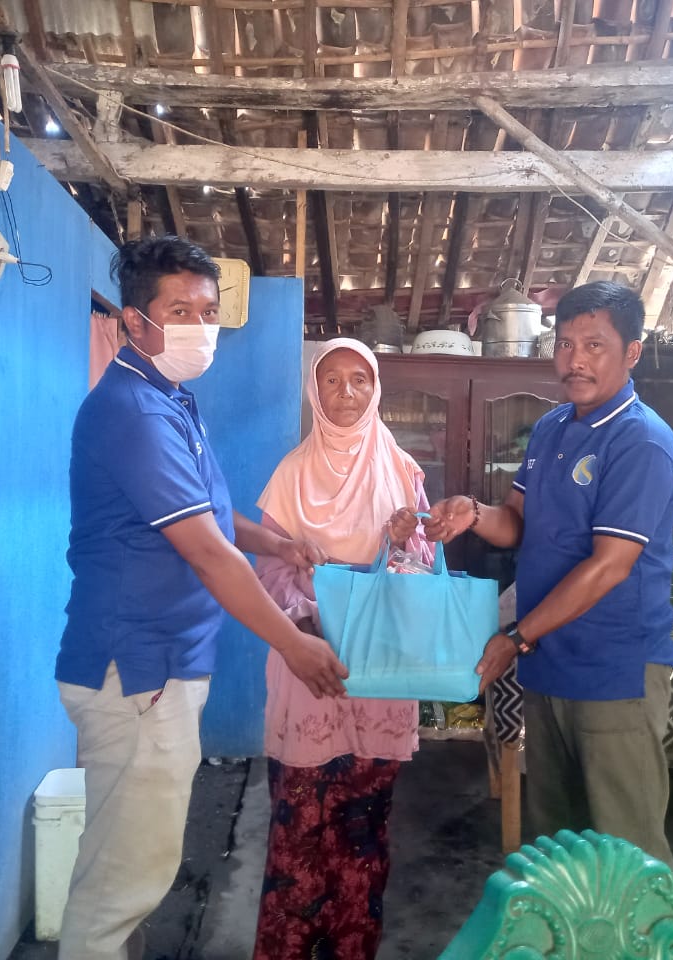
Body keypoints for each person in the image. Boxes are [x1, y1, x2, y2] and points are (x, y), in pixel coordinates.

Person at [55, 236, 349, 960]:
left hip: (161, 664)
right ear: (134, 321)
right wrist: (293, 641)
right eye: (179, 310)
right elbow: (208, 552)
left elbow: (211, 516)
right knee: (123, 880)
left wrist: (277, 544)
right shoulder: (134, 411)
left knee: (130, 862)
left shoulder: (170, 400)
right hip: (139, 669)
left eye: (209, 311)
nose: (200, 326)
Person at [424, 280, 673, 868]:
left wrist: (516, 636)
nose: (575, 361)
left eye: (594, 346)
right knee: (557, 843)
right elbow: (518, 523)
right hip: (550, 663)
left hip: (613, 668)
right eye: (565, 344)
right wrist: (473, 513)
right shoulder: (551, 428)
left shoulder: (641, 441)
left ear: (632, 352)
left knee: (625, 849)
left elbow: (609, 565)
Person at [250, 338, 433, 960]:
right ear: (314, 390)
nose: (347, 392)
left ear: (375, 389)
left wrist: (406, 542)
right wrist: (306, 620)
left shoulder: (403, 472)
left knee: (363, 826)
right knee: (299, 822)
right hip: (308, 663)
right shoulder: (290, 474)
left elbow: (423, 573)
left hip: (378, 668)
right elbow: (269, 571)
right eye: (332, 379)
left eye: (360, 379)